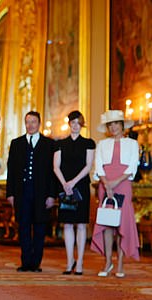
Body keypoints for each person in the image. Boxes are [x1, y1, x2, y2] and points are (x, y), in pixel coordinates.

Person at [91, 110, 140, 278]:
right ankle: (107, 262)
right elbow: (98, 165)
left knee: (121, 224)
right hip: (105, 184)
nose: (113, 127)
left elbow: (133, 165)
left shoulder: (132, 143)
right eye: (110, 124)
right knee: (106, 223)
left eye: (116, 123)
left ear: (122, 125)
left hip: (123, 184)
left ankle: (120, 263)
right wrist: (106, 183)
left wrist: (115, 182)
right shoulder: (102, 144)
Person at [6, 111, 56, 272]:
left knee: (40, 228)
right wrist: (10, 193)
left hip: (42, 194)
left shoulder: (49, 144)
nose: (30, 125)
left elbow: (52, 172)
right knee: (23, 228)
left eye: (33, 122)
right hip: (22, 193)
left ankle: (36, 263)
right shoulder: (16, 143)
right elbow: (11, 170)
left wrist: (51, 195)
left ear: (39, 123)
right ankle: (25, 262)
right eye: (27, 122)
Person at [53, 111, 95, 275]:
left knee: (81, 225)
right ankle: (70, 262)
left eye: (78, 122)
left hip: (81, 187)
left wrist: (73, 182)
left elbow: (88, 165)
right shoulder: (60, 144)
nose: (75, 125)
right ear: (69, 124)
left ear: (82, 124)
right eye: (73, 122)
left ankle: (80, 264)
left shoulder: (89, 143)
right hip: (65, 187)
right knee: (68, 224)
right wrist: (64, 184)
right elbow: (56, 166)